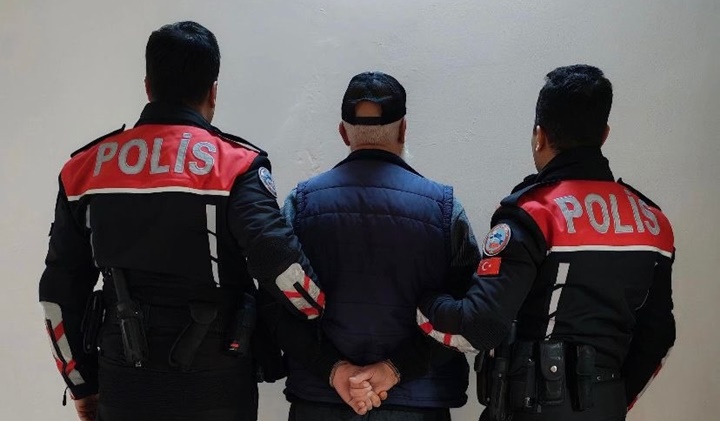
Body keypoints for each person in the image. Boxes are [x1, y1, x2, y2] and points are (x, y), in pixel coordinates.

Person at [38, 21, 366, 421]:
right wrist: (318, 311)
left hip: (123, 386)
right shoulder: (236, 164)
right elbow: (282, 268)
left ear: (148, 87)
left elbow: (57, 295)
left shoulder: (84, 170)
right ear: (213, 91)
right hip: (218, 387)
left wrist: (80, 384)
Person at [419, 65, 676, 421]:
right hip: (606, 407)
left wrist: (422, 301)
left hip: (530, 409)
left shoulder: (534, 212)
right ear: (604, 134)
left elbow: (479, 328)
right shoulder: (653, 222)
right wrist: (609, 399)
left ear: (539, 136)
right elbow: (659, 336)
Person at [281, 71, 480, 421]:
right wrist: (396, 368)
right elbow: (468, 313)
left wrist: (335, 370)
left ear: (343, 132)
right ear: (403, 129)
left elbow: (277, 307)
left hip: (322, 401)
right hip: (418, 403)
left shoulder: (300, 205)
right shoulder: (446, 210)